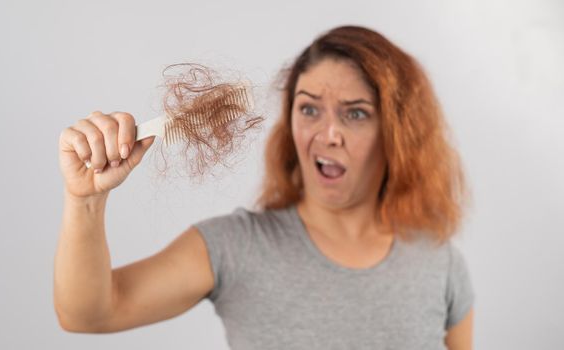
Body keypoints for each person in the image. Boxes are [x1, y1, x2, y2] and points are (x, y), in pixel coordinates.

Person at [54, 25, 474, 349]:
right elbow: (88, 313)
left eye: (356, 114)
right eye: (308, 108)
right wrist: (85, 200)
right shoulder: (237, 246)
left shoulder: (440, 263)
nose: (328, 133)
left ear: (397, 132)